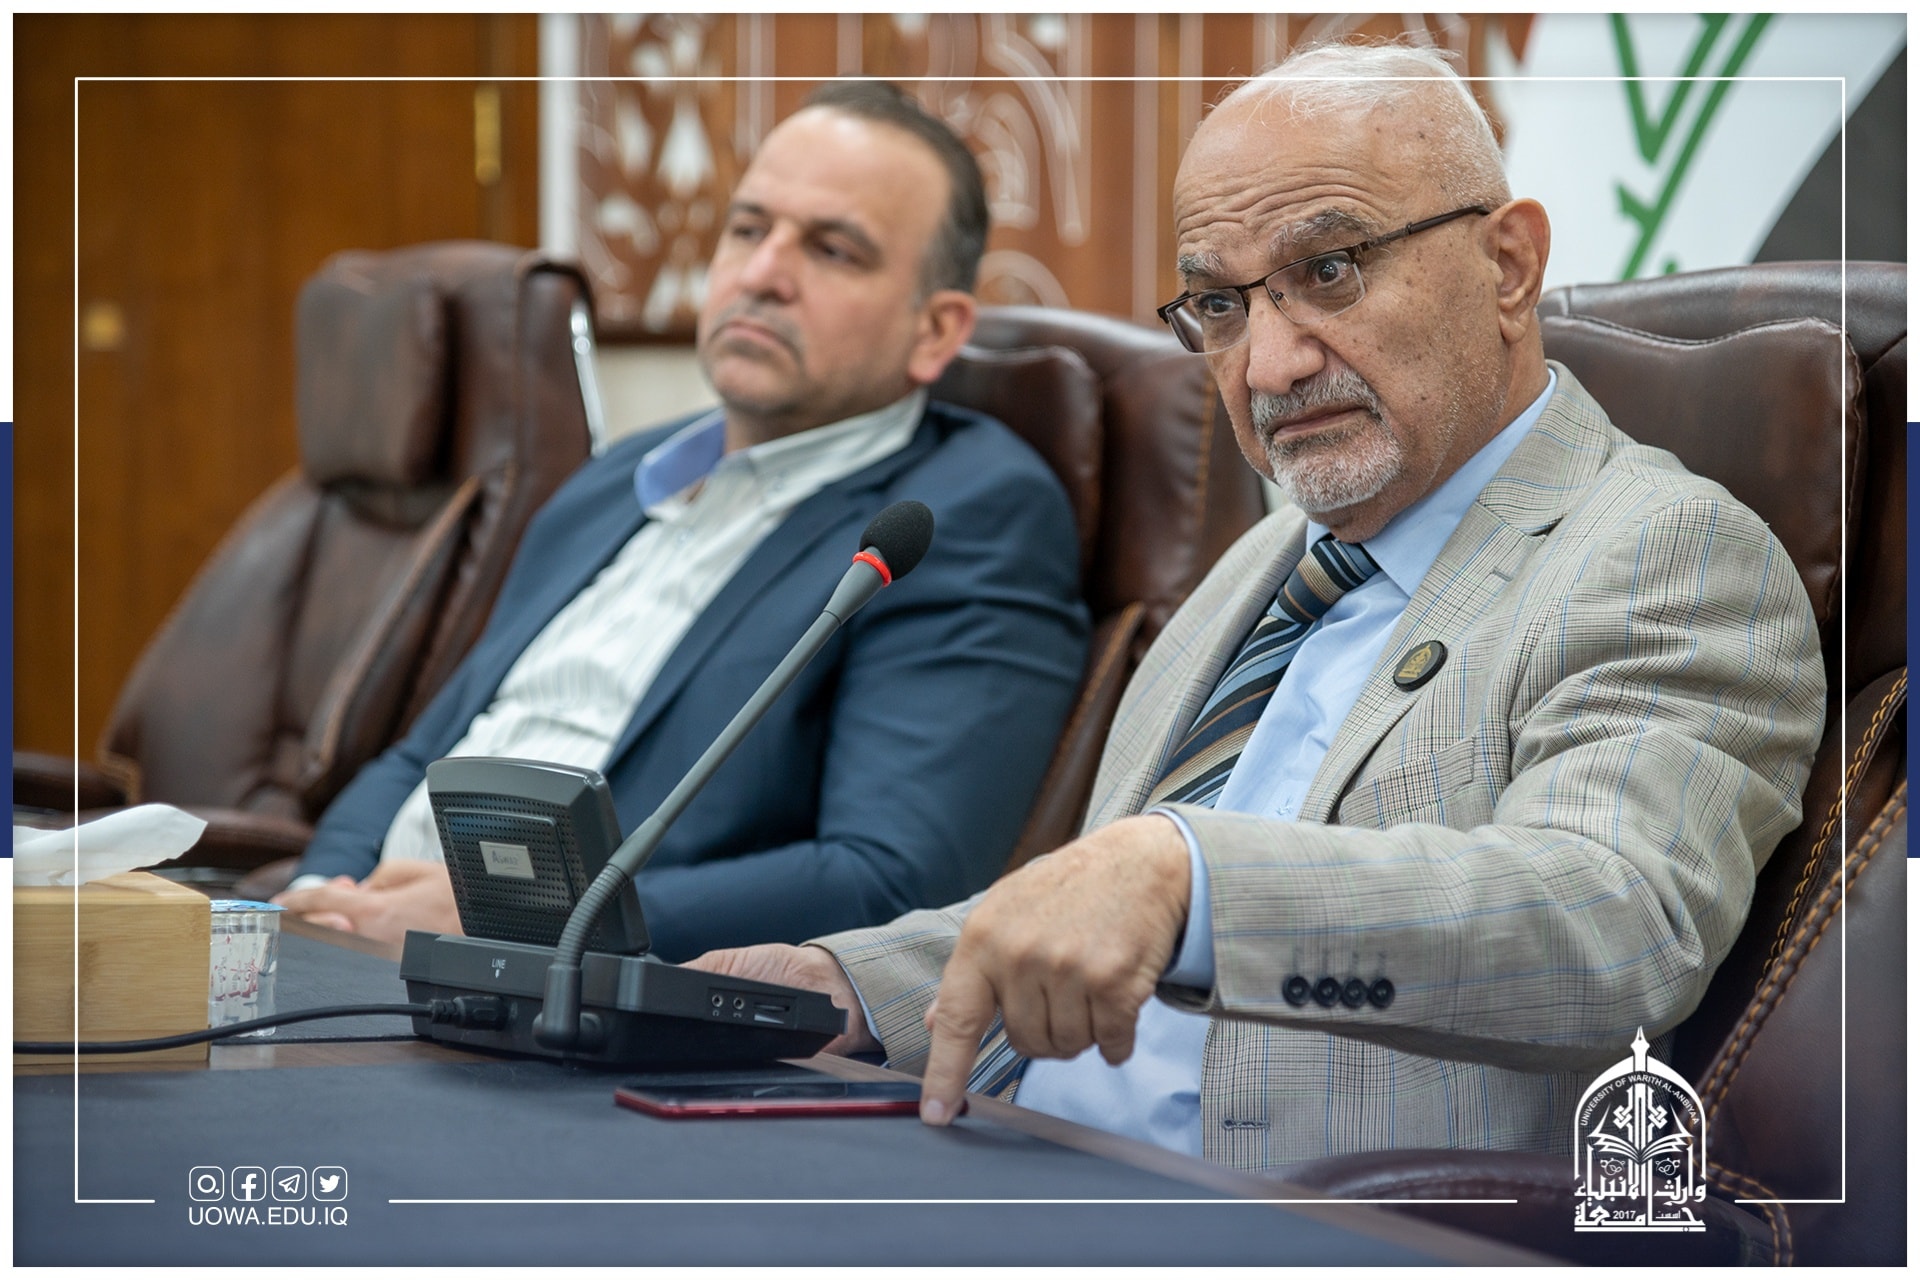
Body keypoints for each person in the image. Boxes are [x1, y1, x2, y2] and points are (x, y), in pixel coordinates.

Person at [689, 43, 1826, 1171]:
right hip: (1014, 1160)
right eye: (1220, 305)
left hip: (1295, 1219)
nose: (1269, 365)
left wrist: (1195, 883)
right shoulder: (1266, 564)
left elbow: (1612, 923)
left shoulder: (1665, 552)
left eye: (1329, 269)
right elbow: (1095, 924)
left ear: (1509, 265)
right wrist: (842, 984)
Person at [276, 81, 1089, 962]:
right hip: (369, 953)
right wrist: (322, 903)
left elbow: (889, 880)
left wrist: (512, 916)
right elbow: (423, 754)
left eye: (833, 250)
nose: (761, 275)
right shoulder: (611, 482)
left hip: (575, 992)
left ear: (935, 331)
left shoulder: (965, 513)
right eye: (747, 229)